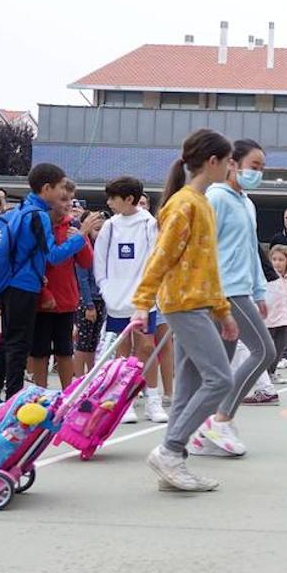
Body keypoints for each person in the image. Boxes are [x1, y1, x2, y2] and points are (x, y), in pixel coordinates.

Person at [129, 128, 239, 492]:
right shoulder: (183, 204)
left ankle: (174, 465)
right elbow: (160, 257)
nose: (231, 168)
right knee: (220, 378)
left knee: (189, 385)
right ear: (213, 162)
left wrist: (222, 312)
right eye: (228, 161)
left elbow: (208, 266)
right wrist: (142, 303)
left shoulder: (201, 203)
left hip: (199, 304)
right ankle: (171, 449)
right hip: (184, 304)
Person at [0, 164, 98, 410]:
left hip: (8, 284)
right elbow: (53, 256)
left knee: (9, 342)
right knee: (19, 346)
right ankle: (13, 402)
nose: (64, 199)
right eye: (59, 191)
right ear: (47, 188)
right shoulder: (39, 215)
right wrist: (82, 235)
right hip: (23, 286)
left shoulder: (22, 209)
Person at [191, 138, 278, 456]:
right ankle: (221, 419)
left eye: (263, 169)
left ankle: (201, 431)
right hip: (224, 291)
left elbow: (252, 251)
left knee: (222, 365)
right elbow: (203, 247)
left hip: (241, 289)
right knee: (264, 351)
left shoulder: (247, 203)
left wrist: (259, 290)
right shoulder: (216, 198)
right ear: (232, 164)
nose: (259, 173)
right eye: (254, 166)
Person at [93, 176, 167, 423]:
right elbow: (100, 261)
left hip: (143, 299)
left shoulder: (149, 224)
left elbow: (155, 261)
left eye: (113, 198)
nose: (109, 203)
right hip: (116, 300)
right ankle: (125, 402)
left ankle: (153, 401)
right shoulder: (110, 226)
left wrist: (148, 295)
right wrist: (106, 289)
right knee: (121, 351)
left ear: (129, 199)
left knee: (147, 347)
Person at [28, 186, 93, 389]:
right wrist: (44, 293)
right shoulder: (39, 224)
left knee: (65, 351)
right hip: (41, 299)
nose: (68, 205)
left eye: (71, 201)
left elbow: (86, 262)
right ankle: (40, 392)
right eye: (64, 200)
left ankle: (68, 394)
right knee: (39, 351)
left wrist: (82, 238)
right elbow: (47, 259)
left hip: (66, 300)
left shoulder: (72, 226)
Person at [73, 210, 106, 377]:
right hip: (88, 300)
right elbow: (82, 279)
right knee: (83, 342)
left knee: (94, 342)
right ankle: (78, 378)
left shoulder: (105, 248)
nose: (100, 233)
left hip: (102, 299)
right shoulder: (84, 247)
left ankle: (91, 377)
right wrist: (89, 304)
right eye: (97, 229)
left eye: (103, 229)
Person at [264, 245, 287, 385]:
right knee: (268, 348)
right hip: (268, 319)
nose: (277, 262)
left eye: (281, 259)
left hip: (284, 320)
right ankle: (263, 374)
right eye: (274, 259)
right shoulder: (267, 278)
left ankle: (272, 372)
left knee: (279, 348)